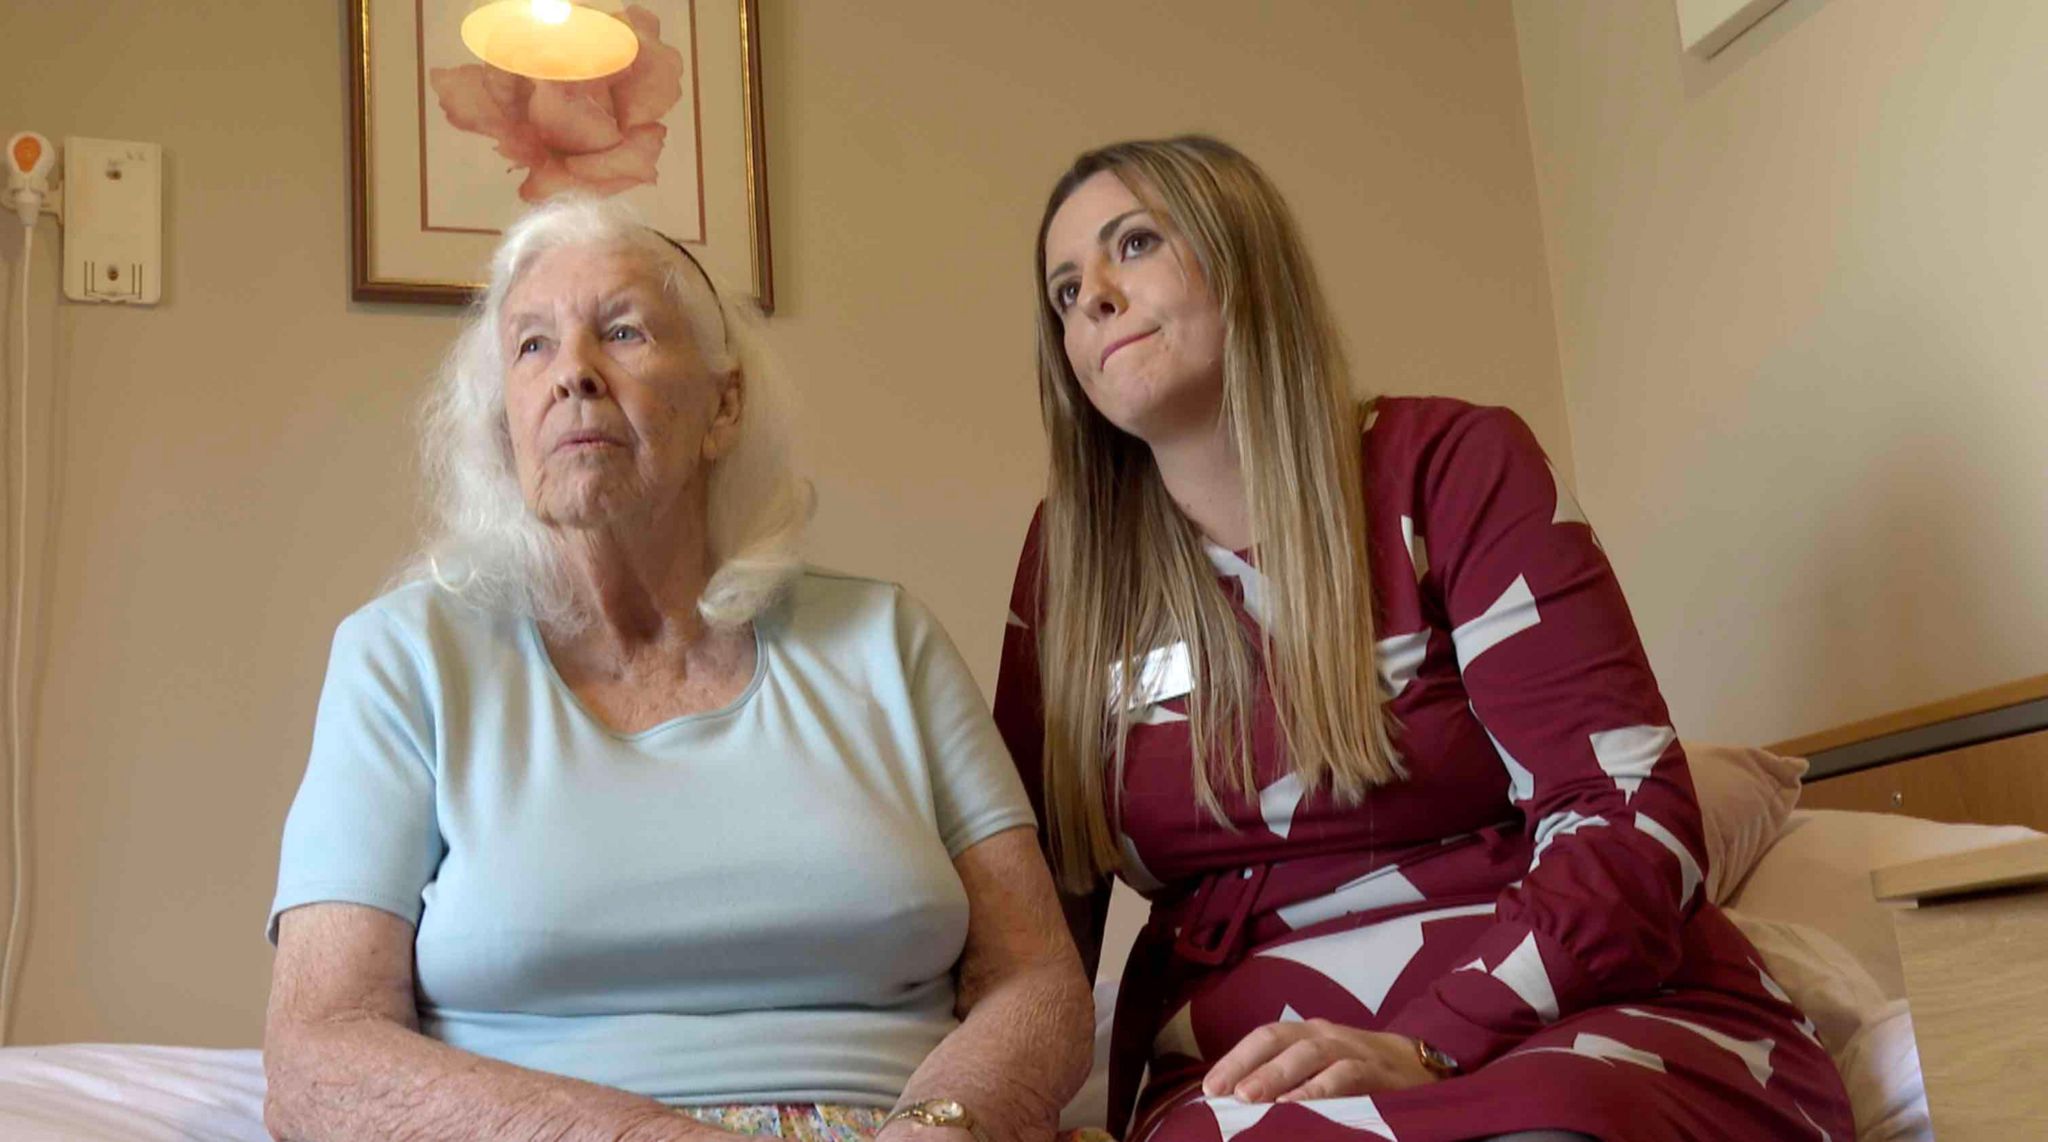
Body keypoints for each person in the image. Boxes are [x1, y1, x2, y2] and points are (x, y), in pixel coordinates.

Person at [993, 136, 1852, 1142]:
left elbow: (1624, 811)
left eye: (1130, 245)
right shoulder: (1069, 568)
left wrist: (1431, 1040)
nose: (1089, 297)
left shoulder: (1450, 468)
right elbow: (1031, 916)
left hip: (1560, 1013)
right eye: (1062, 290)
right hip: (1250, 1061)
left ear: (1245, 260)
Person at [263, 195, 1093, 1142]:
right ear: (505, 427)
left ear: (723, 406)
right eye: (531, 347)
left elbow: (1034, 979)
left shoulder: (884, 639)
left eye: (621, 332)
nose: (573, 373)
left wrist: (943, 1126)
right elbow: (319, 1051)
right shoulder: (404, 658)